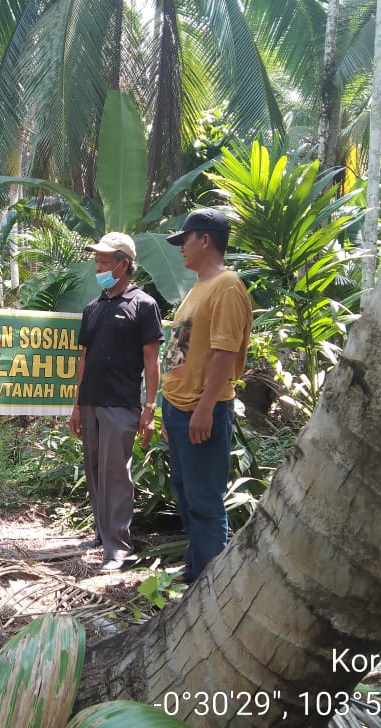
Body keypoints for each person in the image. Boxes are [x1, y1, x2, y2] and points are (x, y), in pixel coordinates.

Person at [161, 208, 252, 583]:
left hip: (200, 407)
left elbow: (225, 352)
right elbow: (181, 348)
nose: (181, 247)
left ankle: (213, 584)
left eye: (185, 239)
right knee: (186, 491)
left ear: (205, 239)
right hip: (179, 407)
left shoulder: (226, 286)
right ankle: (198, 567)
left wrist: (205, 408)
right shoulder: (199, 288)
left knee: (204, 498)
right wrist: (168, 406)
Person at [69, 232, 163, 573]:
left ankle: (119, 549)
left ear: (123, 264)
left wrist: (149, 409)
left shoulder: (144, 305)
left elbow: (152, 360)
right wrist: (77, 405)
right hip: (91, 402)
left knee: (115, 476)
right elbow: (84, 360)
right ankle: (102, 535)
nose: (99, 267)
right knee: (95, 472)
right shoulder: (93, 307)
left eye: (105, 261)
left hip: (121, 404)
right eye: (97, 261)